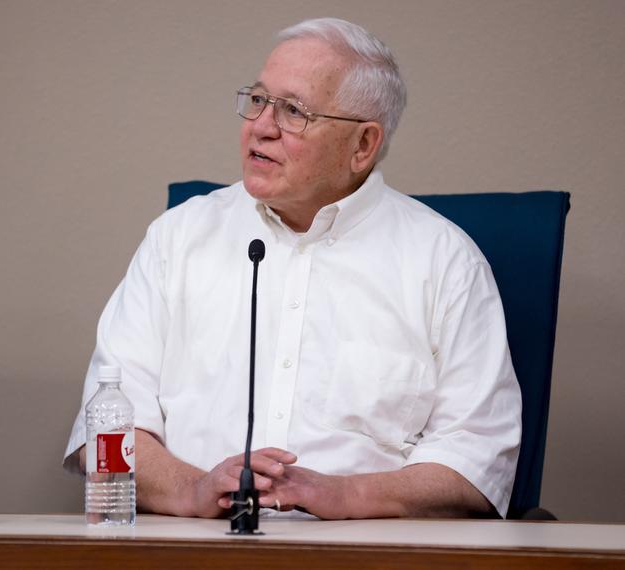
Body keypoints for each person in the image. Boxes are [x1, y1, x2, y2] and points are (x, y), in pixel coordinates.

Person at [64, 17, 521, 519]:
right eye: (259, 100)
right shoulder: (178, 238)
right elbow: (104, 429)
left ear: (363, 145)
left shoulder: (445, 261)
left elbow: (478, 461)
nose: (261, 126)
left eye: (294, 111)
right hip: (190, 543)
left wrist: (346, 496)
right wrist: (193, 490)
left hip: (364, 550)